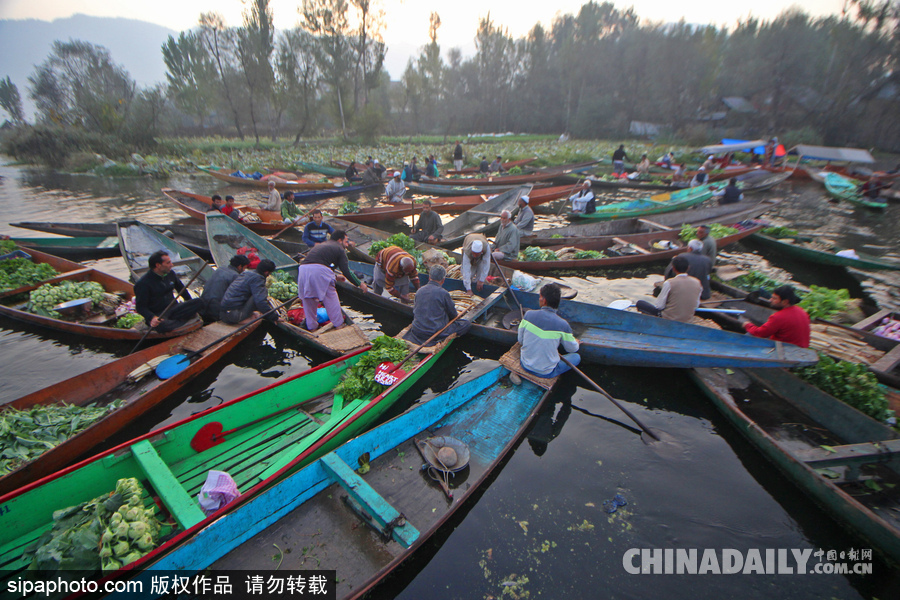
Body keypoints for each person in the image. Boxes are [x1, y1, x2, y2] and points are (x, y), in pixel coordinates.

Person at [296, 230, 367, 332]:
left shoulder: (323, 245)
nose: (347, 245)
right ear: (339, 240)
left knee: (309, 298)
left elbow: (321, 264)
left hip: (303, 269)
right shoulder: (339, 249)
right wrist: (360, 283)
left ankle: (312, 327)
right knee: (330, 297)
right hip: (319, 270)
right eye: (346, 241)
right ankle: (339, 325)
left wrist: (335, 276)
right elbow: (346, 271)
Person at [517, 283, 580, 379]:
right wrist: (576, 342)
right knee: (576, 357)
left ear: (544, 300)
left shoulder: (528, 315)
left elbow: (520, 341)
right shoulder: (563, 325)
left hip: (525, 365)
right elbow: (572, 349)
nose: (539, 299)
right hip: (546, 372)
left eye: (540, 297)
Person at [134, 250, 205, 332]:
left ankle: (177, 322)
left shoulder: (170, 274)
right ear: (158, 265)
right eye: (168, 263)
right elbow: (140, 307)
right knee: (161, 326)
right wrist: (152, 317)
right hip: (160, 314)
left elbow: (182, 290)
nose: (172, 265)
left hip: (174, 308)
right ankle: (179, 322)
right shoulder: (143, 283)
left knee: (199, 302)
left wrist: (189, 304)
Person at [403, 266, 472, 345]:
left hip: (417, 331)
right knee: (466, 324)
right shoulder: (444, 293)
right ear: (443, 280)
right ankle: (440, 339)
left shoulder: (419, 291)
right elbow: (453, 315)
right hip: (435, 332)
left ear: (429, 277)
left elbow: (415, 310)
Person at [635, 255, 701, 323]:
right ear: (688, 268)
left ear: (673, 268)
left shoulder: (669, 283)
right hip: (688, 320)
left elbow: (659, 306)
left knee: (640, 303)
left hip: (669, 319)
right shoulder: (697, 282)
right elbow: (696, 305)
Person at [740, 285, 810, 348]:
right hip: (800, 348)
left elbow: (760, 333)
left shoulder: (779, 317)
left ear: (785, 302)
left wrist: (747, 325)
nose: (770, 300)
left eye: (774, 298)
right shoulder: (802, 311)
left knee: (750, 334)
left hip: (786, 349)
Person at [219, 260, 277, 325]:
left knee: (254, 293)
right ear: (266, 272)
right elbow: (260, 302)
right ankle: (241, 319)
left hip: (224, 314)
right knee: (262, 293)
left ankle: (245, 315)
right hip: (234, 316)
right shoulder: (258, 279)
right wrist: (274, 317)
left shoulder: (246, 273)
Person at [200, 255, 250, 321]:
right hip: (215, 310)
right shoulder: (235, 276)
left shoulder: (220, 269)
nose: (244, 270)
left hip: (202, 304)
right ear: (240, 266)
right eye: (244, 268)